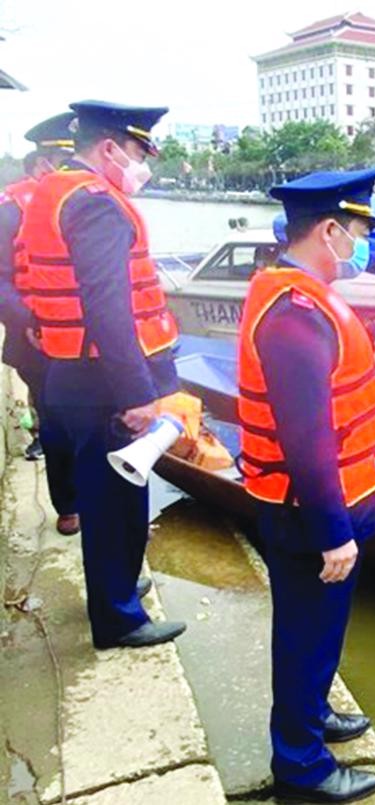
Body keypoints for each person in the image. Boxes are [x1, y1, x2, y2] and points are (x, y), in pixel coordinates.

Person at [238, 167, 375, 803]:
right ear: (329, 230)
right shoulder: (293, 312)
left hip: (338, 501)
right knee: (304, 634)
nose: (363, 244)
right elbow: (306, 437)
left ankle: (314, 713)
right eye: (358, 231)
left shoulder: (305, 296)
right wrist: (332, 533)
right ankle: (302, 766)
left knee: (320, 631)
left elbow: (342, 408)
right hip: (312, 514)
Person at [19, 100, 185, 649]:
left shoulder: (56, 190)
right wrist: (136, 393)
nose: (144, 166)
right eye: (140, 152)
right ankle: (119, 620)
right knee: (117, 502)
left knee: (104, 496)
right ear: (110, 148)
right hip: (102, 381)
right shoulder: (97, 205)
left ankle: (116, 588)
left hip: (74, 372)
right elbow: (108, 307)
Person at [0, 112, 79, 534]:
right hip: (38, 339)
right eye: (65, 164)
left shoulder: (81, 203)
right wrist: (29, 318)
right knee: (57, 418)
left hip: (85, 338)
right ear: (41, 165)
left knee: (90, 421)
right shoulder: (11, 210)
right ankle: (69, 506)